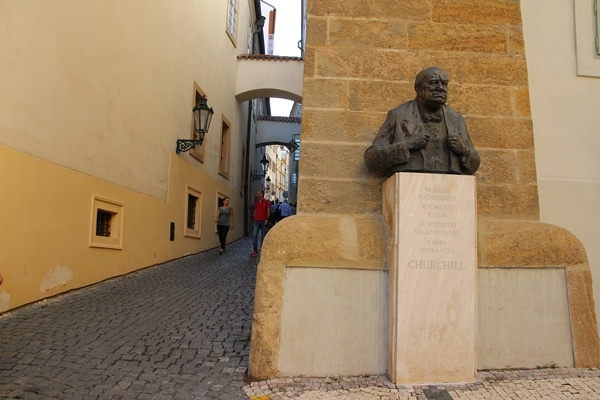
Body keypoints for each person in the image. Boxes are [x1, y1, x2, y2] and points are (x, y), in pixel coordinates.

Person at [364, 67, 480, 176]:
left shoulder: (456, 119)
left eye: (444, 84)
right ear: (418, 89)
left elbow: (474, 164)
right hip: (409, 182)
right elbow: (372, 158)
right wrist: (407, 145)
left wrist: (463, 150)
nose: (440, 88)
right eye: (433, 83)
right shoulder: (399, 115)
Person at [251, 190, 270, 257]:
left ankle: (262, 249)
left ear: (262, 194)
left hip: (263, 221)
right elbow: (255, 212)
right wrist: (253, 220)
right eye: (257, 193)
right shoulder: (256, 203)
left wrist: (267, 219)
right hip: (256, 221)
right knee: (254, 235)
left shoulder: (266, 202)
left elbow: (268, 211)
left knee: (263, 236)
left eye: (258, 193)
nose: (257, 195)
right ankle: (255, 250)